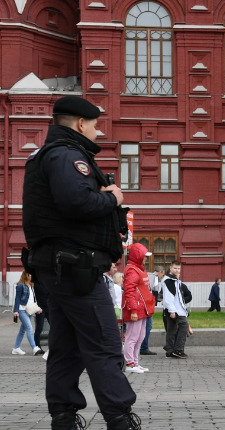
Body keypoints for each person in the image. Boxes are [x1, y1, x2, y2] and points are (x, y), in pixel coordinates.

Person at [21, 95, 139, 429]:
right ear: (81, 123)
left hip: (59, 266)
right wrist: (112, 197)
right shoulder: (67, 156)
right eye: (96, 126)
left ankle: (63, 417)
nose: (98, 133)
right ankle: (119, 418)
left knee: (66, 346)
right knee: (103, 343)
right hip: (75, 268)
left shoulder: (45, 155)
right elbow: (77, 202)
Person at [121, 244, 155, 374]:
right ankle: (129, 363)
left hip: (143, 308)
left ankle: (135, 362)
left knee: (140, 336)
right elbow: (129, 291)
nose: (146, 259)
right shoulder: (132, 270)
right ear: (138, 256)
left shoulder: (138, 269)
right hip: (136, 309)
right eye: (144, 256)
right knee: (132, 337)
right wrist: (133, 310)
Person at [161, 260, 190, 359]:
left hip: (175, 309)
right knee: (184, 326)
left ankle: (169, 351)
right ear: (170, 268)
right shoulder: (169, 280)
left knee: (171, 329)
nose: (177, 270)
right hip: (175, 310)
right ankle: (178, 350)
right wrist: (172, 311)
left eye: (179, 268)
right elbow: (168, 297)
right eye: (175, 268)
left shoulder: (173, 280)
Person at [12, 271, 43, 356]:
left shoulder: (31, 285)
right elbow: (17, 298)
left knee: (22, 330)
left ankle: (16, 348)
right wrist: (16, 310)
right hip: (22, 310)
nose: (31, 276)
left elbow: (32, 300)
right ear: (26, 276)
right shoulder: (20, 286)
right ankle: (34, 348)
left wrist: (37, 308)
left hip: (29, 310)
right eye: (30, 275)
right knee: (29, 328)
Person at [140, 265, 164, 356]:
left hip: (144, 304)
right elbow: (155, 291)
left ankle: (143, 347)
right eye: (162, 274)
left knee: (144, 326)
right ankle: (144, 347)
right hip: (148, 306)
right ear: (160, 272)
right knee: (147, 326)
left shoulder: (147, 275)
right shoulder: (154, 278)